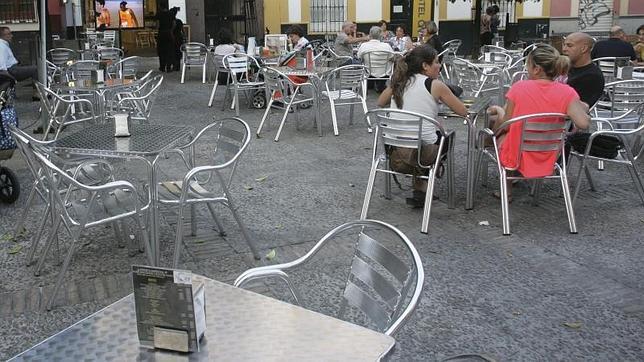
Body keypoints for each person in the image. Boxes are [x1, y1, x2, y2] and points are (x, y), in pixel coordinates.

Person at [487, 44, 590, 201]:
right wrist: (583, 108)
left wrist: (499, 110)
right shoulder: (567, 91)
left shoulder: (519, 88)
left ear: (536, 69)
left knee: (502, 137)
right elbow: (583, 124)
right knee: (513, 136)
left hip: (517, 154)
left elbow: (506, 123)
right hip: (550, 154)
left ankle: (506, 190)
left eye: (527, 65)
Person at [377, 45, 467, 207]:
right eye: (436, 62)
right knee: (444, 135)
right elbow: (462, 111)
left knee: (425, 134)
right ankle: (422, 183)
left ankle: (420, 187)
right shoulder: (435, 85)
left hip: (395, 155)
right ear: (425, 66)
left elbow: (380, 102)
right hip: (423, 156)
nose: (439, 65)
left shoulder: (399, 82)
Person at [562, 32, 605, 108]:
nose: (564, 49)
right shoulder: (565, 68)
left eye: (569, 45)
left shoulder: (592, 77)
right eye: (564, 45)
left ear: (584, 48)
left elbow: (580, 108)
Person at [0, 27, 38, 101]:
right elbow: (1, 63)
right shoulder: (1, 46)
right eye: (9, 34)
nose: (11, 36)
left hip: (12, 68)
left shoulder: (4, 44)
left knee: (32, 68)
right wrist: (7, 76)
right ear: (2, 35)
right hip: (11, 70)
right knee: (35, 69)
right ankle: (36, 93)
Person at [157, 6, 175, 72]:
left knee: (161, 51)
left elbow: (157, 24)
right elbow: (174, 24)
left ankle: (162, 67)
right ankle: (168, 67)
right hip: (169, 33)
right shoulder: (171, 14)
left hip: (161, 34)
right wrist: (171, 31)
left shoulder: (159, 14)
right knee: (169, 50)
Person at [171, 7, 184, 72]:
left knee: (173, 51)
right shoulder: (179, 21)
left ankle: (174, 65)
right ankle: (177, 66)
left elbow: (172, 30)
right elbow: (182, 30)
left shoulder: (171, 22)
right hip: (179, 37)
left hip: (174, 37)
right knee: (178, 52)